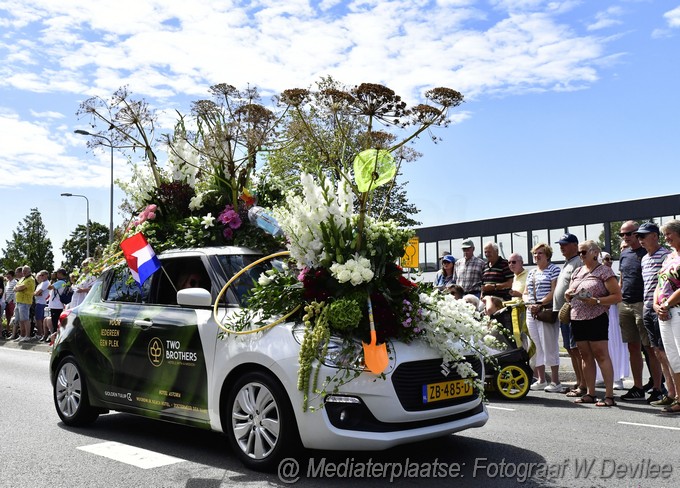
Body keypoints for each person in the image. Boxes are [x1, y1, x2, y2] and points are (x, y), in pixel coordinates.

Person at [565, 240, 622, 407]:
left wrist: (597, 301)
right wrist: (568, 295)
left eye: (583, 252)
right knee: (585, 356)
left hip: (596, 317)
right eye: (579, 253)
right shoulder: (577, 271)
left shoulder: (604, 271)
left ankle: (609, 396)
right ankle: (590, 393)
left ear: (594, 252)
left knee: (601, 354)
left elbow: (617, 296)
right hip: (577, 317)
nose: (580, 256)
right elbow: (569, 293)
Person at [618, 221, 663, 402]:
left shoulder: (648, 253)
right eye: (622, 235)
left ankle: (658, 387)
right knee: (633, 347)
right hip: (626, 304)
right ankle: (637, 387)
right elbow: (622, 278)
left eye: (629, 234)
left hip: (643, 304)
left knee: (651, 349)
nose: (625, 237)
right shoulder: (624, 254)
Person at [635, 223, 675, 406]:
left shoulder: (667, 256)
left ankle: (676, 392)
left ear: (654, 236)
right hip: (648, 308)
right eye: (639, 237)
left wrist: (662, 304)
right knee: (657, 351)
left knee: (668, 352)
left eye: (643, 236)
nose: (640, 240)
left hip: (664, 308)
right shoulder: (644, 258)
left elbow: (668, 284)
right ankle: (670, 391)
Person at [523, 242, 563, 392]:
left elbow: (554, 291)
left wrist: (539, 303)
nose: (536, 256)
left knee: (549, 345)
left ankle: (555, 381)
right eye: (535, 253)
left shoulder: (554, 269)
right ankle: (541, 379)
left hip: (545, 311)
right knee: (536, 345)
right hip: (531, 312)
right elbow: (525, 292)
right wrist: (529, 304)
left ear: (547, 255)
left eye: (540, 253)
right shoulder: (531, 272)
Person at [553, 233, 586, 397]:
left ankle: (584, 384)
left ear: (575, 245)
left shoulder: (578, 261)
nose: (561, 247)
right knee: (570, 348)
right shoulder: (567, 263)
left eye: (565, 244)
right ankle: (580, 382)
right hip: (564, 312)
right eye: (560, 244)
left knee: (576, 349)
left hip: (574, 311)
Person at [653, 220, 680, 413]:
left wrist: (667, 303)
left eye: (669, 234)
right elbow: (660, 283)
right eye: (665, 235)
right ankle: (679, 397)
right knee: (673, 358)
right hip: (664, 312)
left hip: (677, 310)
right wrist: (657, 305)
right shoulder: (669, 257)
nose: (666, 238)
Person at [594, 252, 629, 391]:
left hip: (613, 313)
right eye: (606, 259)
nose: (609, 262)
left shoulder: (612, 276)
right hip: (600, 313)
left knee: (616, 345)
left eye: (610, 259)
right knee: (602, 346)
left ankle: (618, 377)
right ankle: (602, 376)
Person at [13, 265, 36, 342]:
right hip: (18, 301)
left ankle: (27, 336)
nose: (24, 272)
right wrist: (17, 288)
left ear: (29, 271)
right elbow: (15, 287)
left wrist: (18, 288)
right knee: (20, 320)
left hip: (25, 302)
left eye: (25, 271)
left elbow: (20, 287)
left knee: (25, 319)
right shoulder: (22, 279)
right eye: (23, 271)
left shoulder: (31, 279)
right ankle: (22, 335)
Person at [47, 268, 69, 341]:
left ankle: (55, 338)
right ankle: (56, 337)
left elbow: (49, 287)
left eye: (57, 273)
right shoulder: (64, 282)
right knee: (56, 322)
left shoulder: (60, 282)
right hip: (58, 305)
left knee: (55, 323)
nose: (56, 275)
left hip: (56, 305)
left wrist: (52, 279)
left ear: (60, 274)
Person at [33, 270, 50, 341]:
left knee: (39, 320)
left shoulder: (46, 283)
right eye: (40, 275)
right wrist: (36, 293)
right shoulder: (42, 284)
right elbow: (36, 293)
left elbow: (37, 293)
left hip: (42, 303)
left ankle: (40, 334)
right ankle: (41, 334)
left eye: (43, 275)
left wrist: (36, 293)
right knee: (39, 319)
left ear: (46, 275)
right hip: (39, 302)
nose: (41, 276)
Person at [2, 270, 17, 338]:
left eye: (8, 275)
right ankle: (8, 331)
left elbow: (13, 293)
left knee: (12, 317)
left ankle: (13, 332)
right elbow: (5, 292)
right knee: (8, 317)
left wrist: (9, 300)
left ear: (11, 275)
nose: (7, 276)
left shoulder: (15, 282)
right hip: (6, 302)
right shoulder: (7, 282)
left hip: (11, 301)